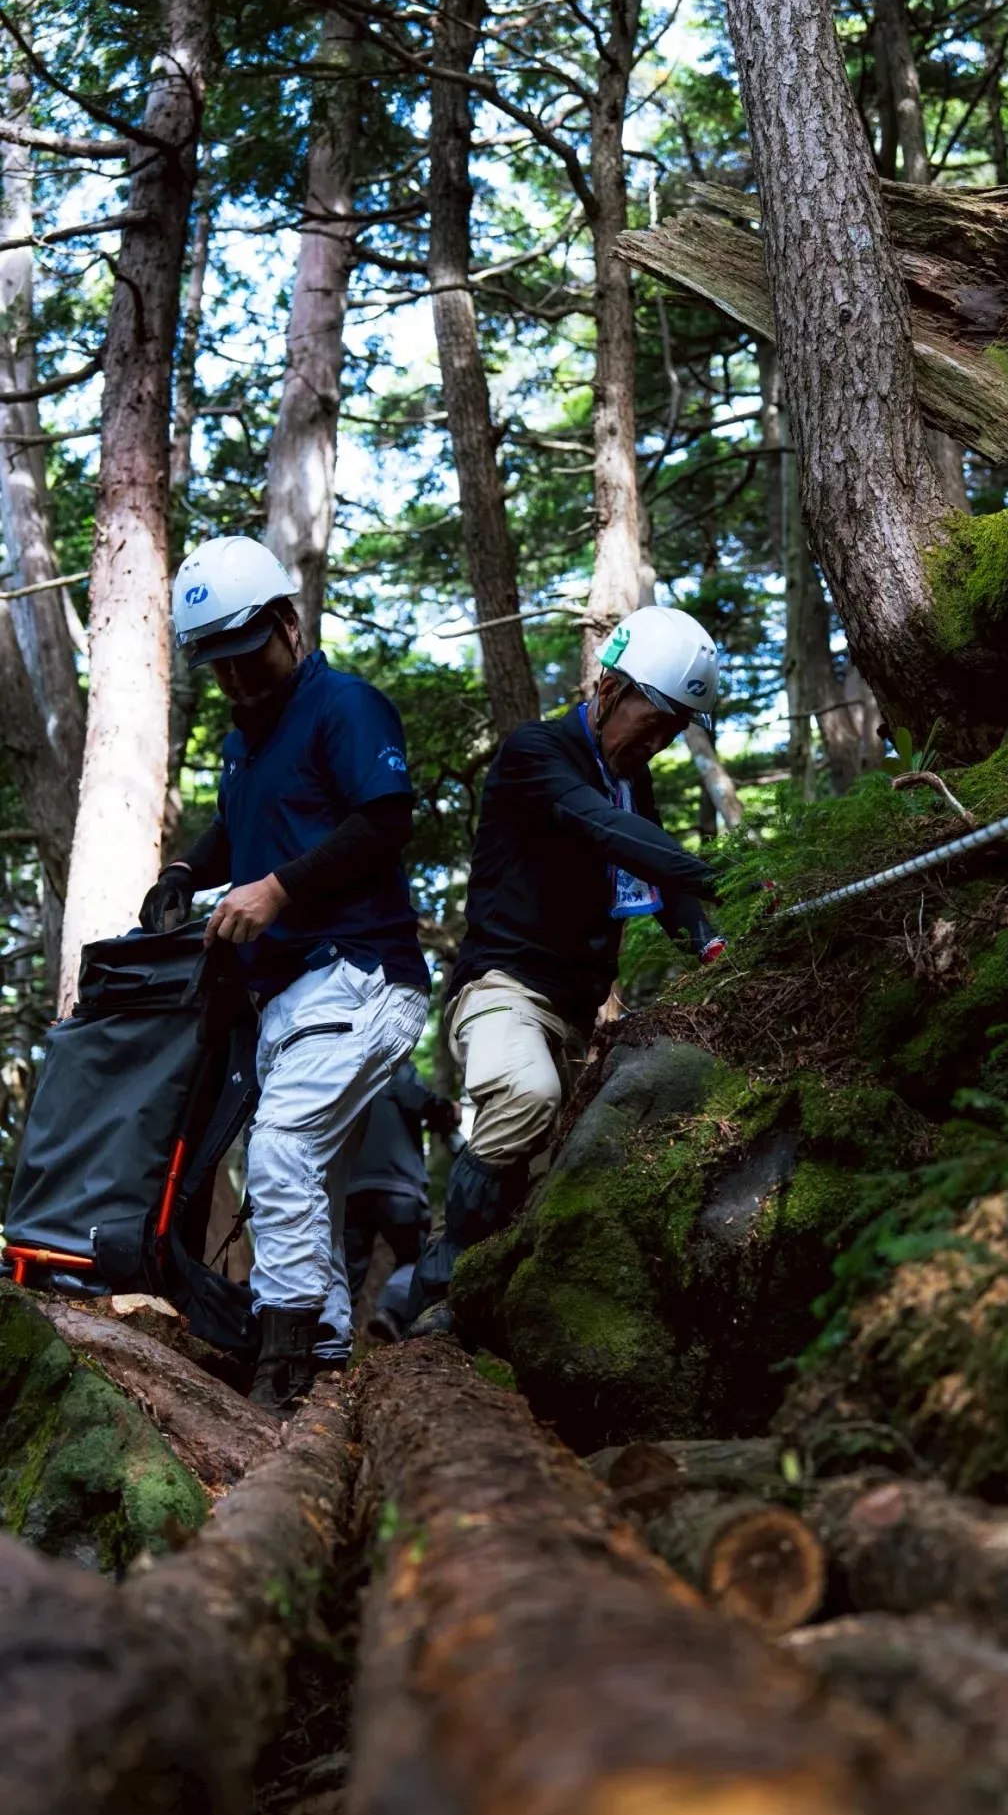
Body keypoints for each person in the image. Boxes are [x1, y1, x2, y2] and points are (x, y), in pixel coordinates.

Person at [140, 535, 431, 1414]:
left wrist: (278, 889)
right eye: (217, 666)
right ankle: (326, 1349)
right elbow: (234, 826)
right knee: (313, 1168)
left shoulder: (343, 706)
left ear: (287, 624)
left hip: (361, 973)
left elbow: (383, 822)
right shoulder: (245, 742)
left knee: (284, 1149)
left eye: (245, 655)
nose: (235, 679)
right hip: (291, 995)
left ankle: (281, 1366)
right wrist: (186, 873)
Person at [407, 605, 725, 1321]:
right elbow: (607, 831)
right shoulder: (535, 752)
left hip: (577, 1012)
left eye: (676, 730)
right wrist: (724, 869)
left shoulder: (628, 779)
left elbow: (658, 876)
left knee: (548, 1180)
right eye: (656, 720)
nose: (661, 741)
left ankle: (491, 1317)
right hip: (504, 987)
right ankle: (439, 1287)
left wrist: (710, 945)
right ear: (611, 688)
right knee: (523, 1095)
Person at [344, 1059, 458, 1342]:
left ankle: (329, 1344)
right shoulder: (390, 1061)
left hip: (350, 1187)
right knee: (417, 1257)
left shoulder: (344, 1069)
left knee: (345, 1271)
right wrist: (448, 1112)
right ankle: (392, 1310)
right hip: (398, 1183)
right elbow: (416, 1097)